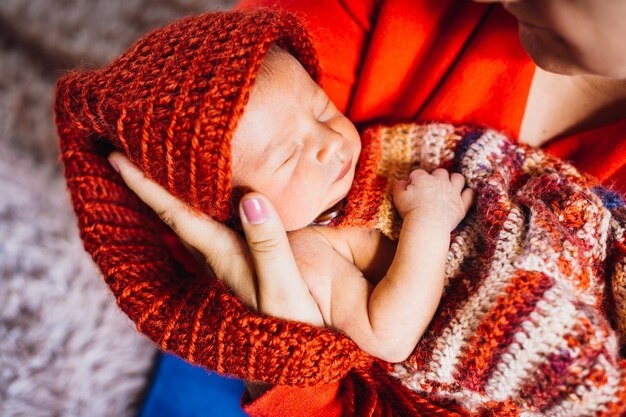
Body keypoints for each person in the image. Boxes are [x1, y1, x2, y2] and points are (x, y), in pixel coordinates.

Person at [60, 1, 626, 415]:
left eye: (324, 111)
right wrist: (427, 222)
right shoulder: (307, 249)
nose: (333, 142)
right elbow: (390, 336)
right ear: (234, 210)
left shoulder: (353, 167)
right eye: (288, 157)